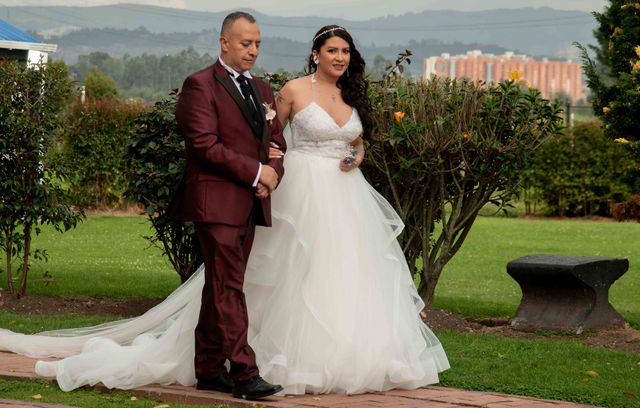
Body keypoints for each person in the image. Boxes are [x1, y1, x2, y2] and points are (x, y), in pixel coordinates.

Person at [0, 24, 449, 396]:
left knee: (330, 276)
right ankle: (247, 369)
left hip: (341, 198)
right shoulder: (273, 89)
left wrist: (356, 150)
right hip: (287, 194)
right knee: (251, 279)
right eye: (332, 50)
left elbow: (293, 140)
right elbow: (234, 139)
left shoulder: (315, 93)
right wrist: (266, 173)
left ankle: (225, 365)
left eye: (346, 51)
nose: (340, 57)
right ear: (315, 54)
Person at [172, 11, 286, 400]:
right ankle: (244, 372)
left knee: (219, 286)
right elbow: (204, 145)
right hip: (215, 202)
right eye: (245, 43)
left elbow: (276, 144)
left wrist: (271, 172)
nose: (252, 50)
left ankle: (207, 367)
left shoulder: (263, 89)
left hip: (249, 205)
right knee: (229, 285)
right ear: (223, 42)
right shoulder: (200, 85)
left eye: (257, 43)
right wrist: (257, 173)